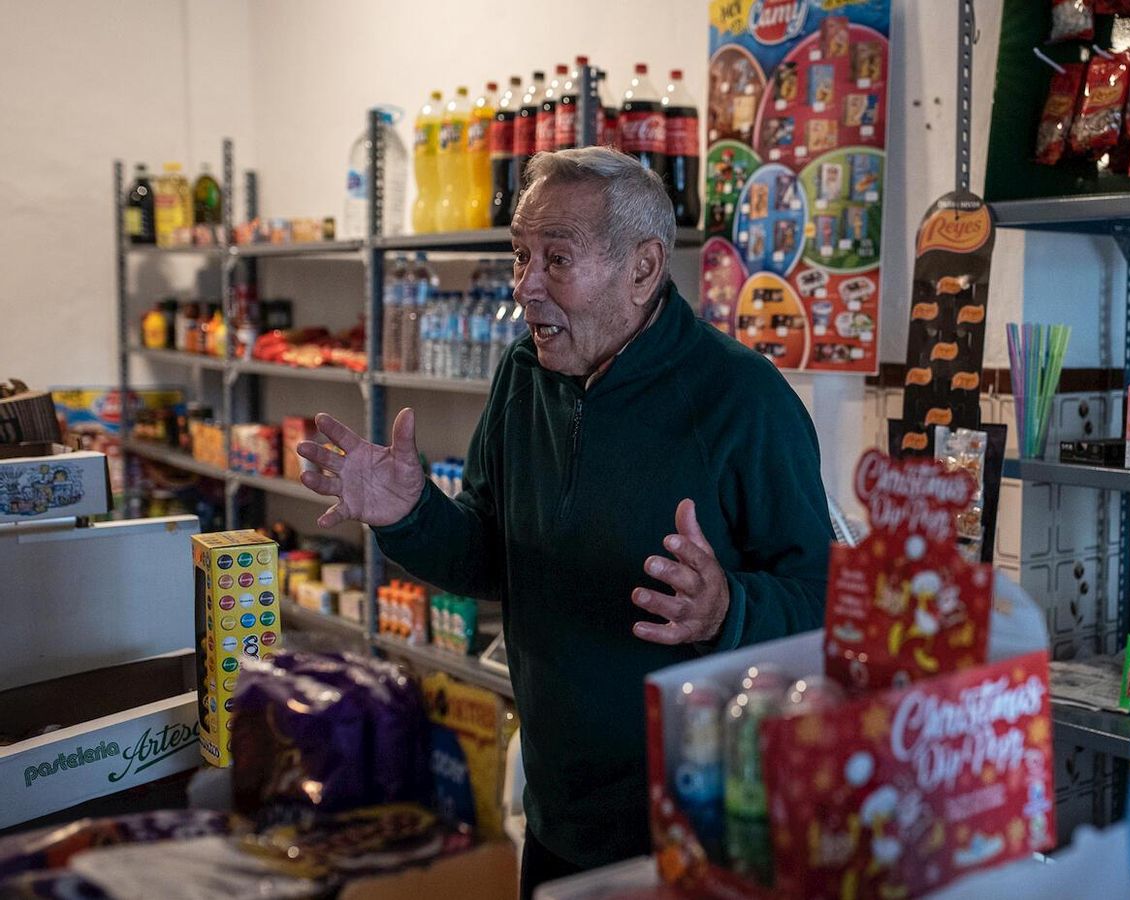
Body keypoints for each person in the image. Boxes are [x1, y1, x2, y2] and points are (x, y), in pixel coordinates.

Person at [296, 147, 832, 896]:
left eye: (556, 259)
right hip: (558, 813)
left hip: (702, 825)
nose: (525, 286)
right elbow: (489, 556)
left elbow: (824, 601)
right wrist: (411, 515)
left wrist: (726, 609)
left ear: (644, 268)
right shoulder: (524, 376)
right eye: (521, 255)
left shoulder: (744, 399)